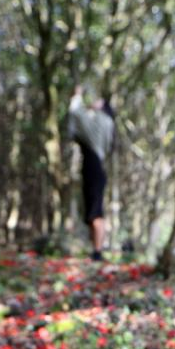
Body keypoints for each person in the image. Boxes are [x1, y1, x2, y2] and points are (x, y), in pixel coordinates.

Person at [68, 86, 115, 261]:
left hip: (94, 169)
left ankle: (97, 251)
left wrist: (78, 96)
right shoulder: (104, 123)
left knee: (96, 213)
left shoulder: (102, 120)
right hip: (93, 169)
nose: (95, 102)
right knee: (92, 213)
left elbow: (76, 114)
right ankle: (95, 250)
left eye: (99, 101)